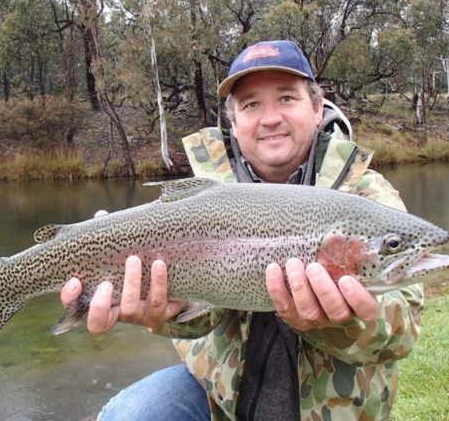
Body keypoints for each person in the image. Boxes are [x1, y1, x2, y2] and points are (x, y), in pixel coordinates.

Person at [60, 40, 423, 420]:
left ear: (318, 108)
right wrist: (173, 311)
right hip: (219, 399)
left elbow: (404, 329)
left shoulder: (366, 196)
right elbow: (199, 321)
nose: (269, 118)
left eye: (286, 98)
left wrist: (337, 323)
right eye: (251, 105)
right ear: (233, 123)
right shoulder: (200, 199)